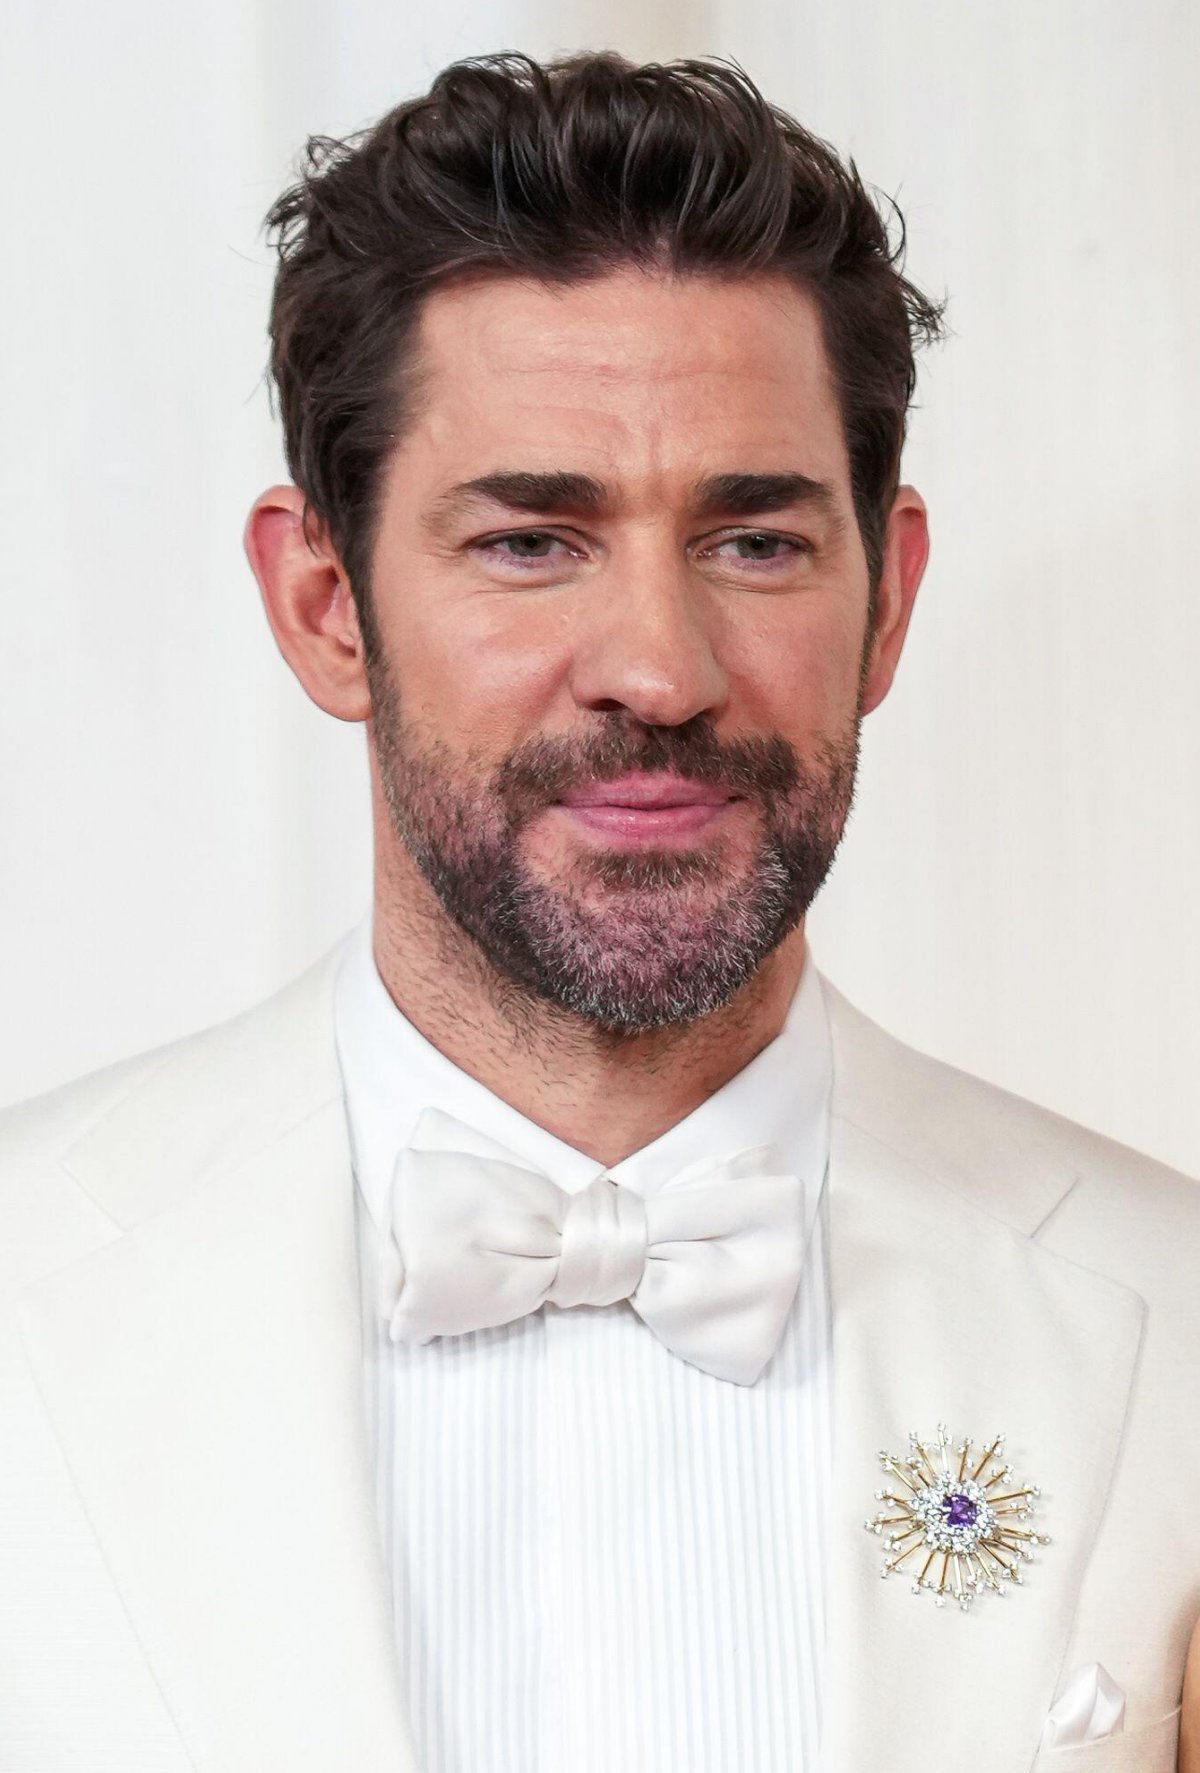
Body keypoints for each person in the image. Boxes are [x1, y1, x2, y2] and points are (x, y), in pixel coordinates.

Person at [0, 49, 1196, 1773]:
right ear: (327, 605)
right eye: (531, 542)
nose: (659, 667)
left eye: (758, 542)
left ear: (889, 599)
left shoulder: (1181, 1324)